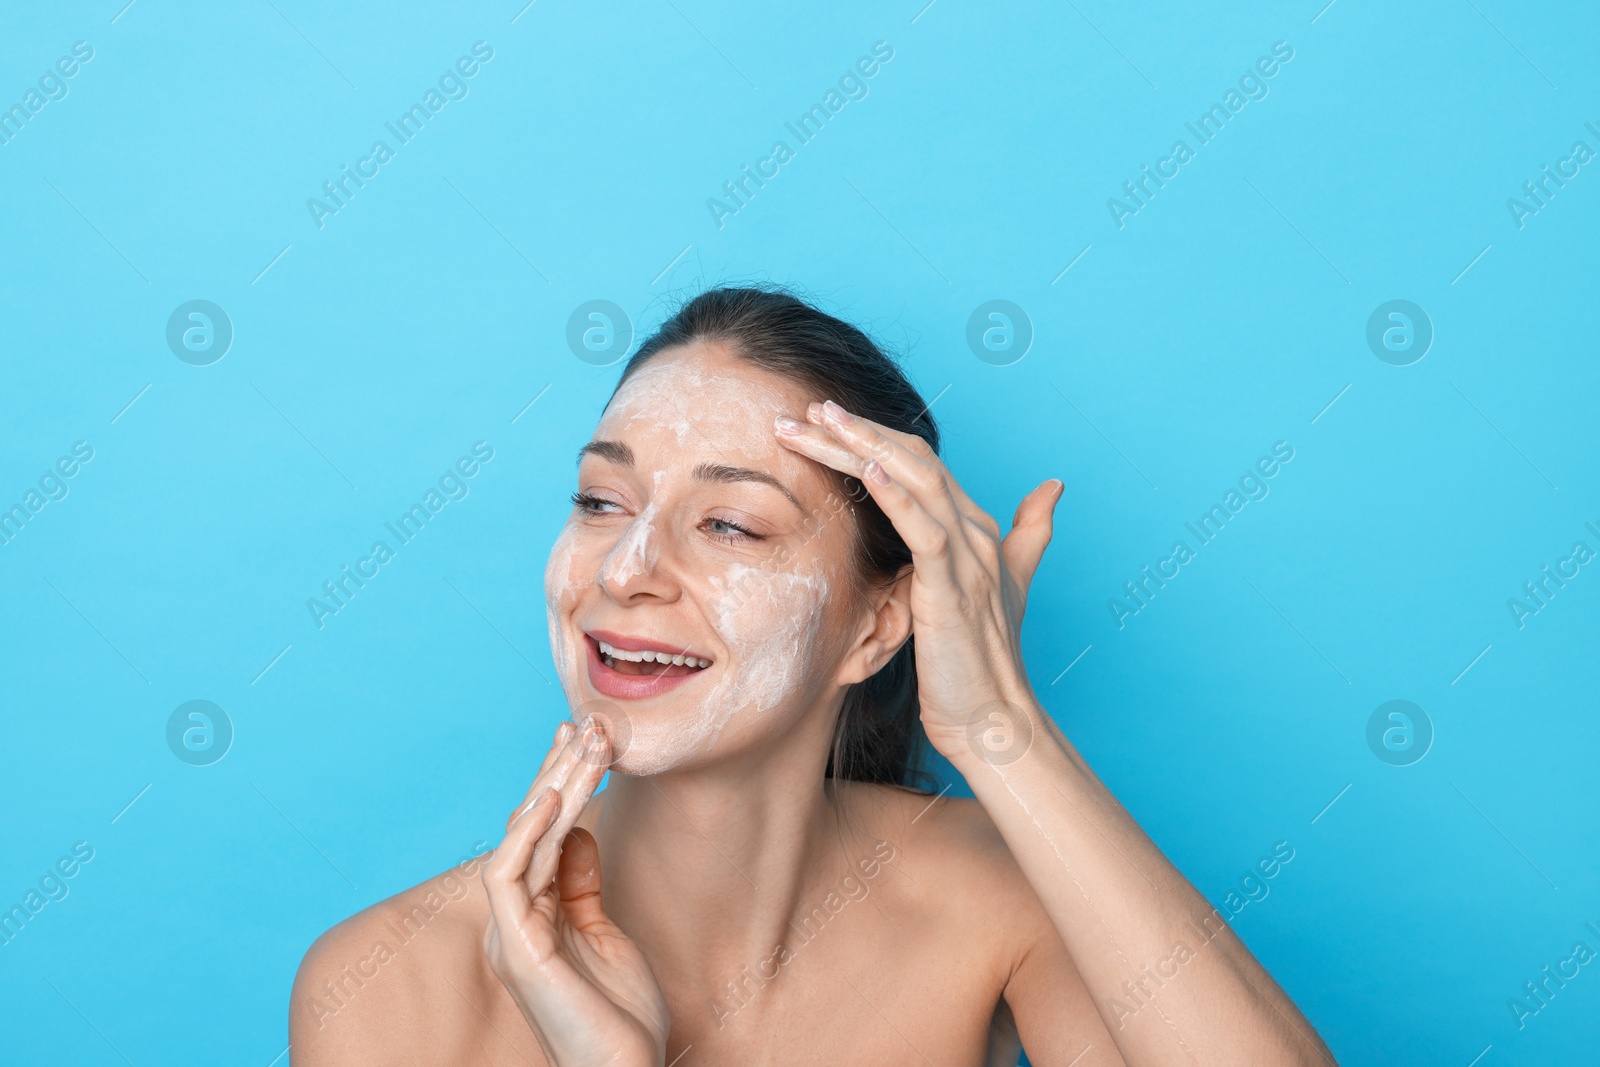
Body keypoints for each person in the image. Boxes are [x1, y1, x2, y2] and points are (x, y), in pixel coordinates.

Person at [290, 286, 1335, 1065]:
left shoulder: (996, 895)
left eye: (730, 523)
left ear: (875, 627)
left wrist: (998, 726)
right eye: (601, 501)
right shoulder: (388, 987)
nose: (625, 570)